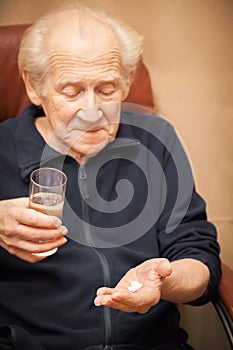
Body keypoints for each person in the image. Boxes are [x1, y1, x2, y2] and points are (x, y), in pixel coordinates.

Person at [0, 3, 221, 350]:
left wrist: (164, 280)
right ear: (33, 85)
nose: (91, 111)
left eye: (106, 90)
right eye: (71, 91)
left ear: (128, 81)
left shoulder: (155, 140)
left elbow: (199, 258)